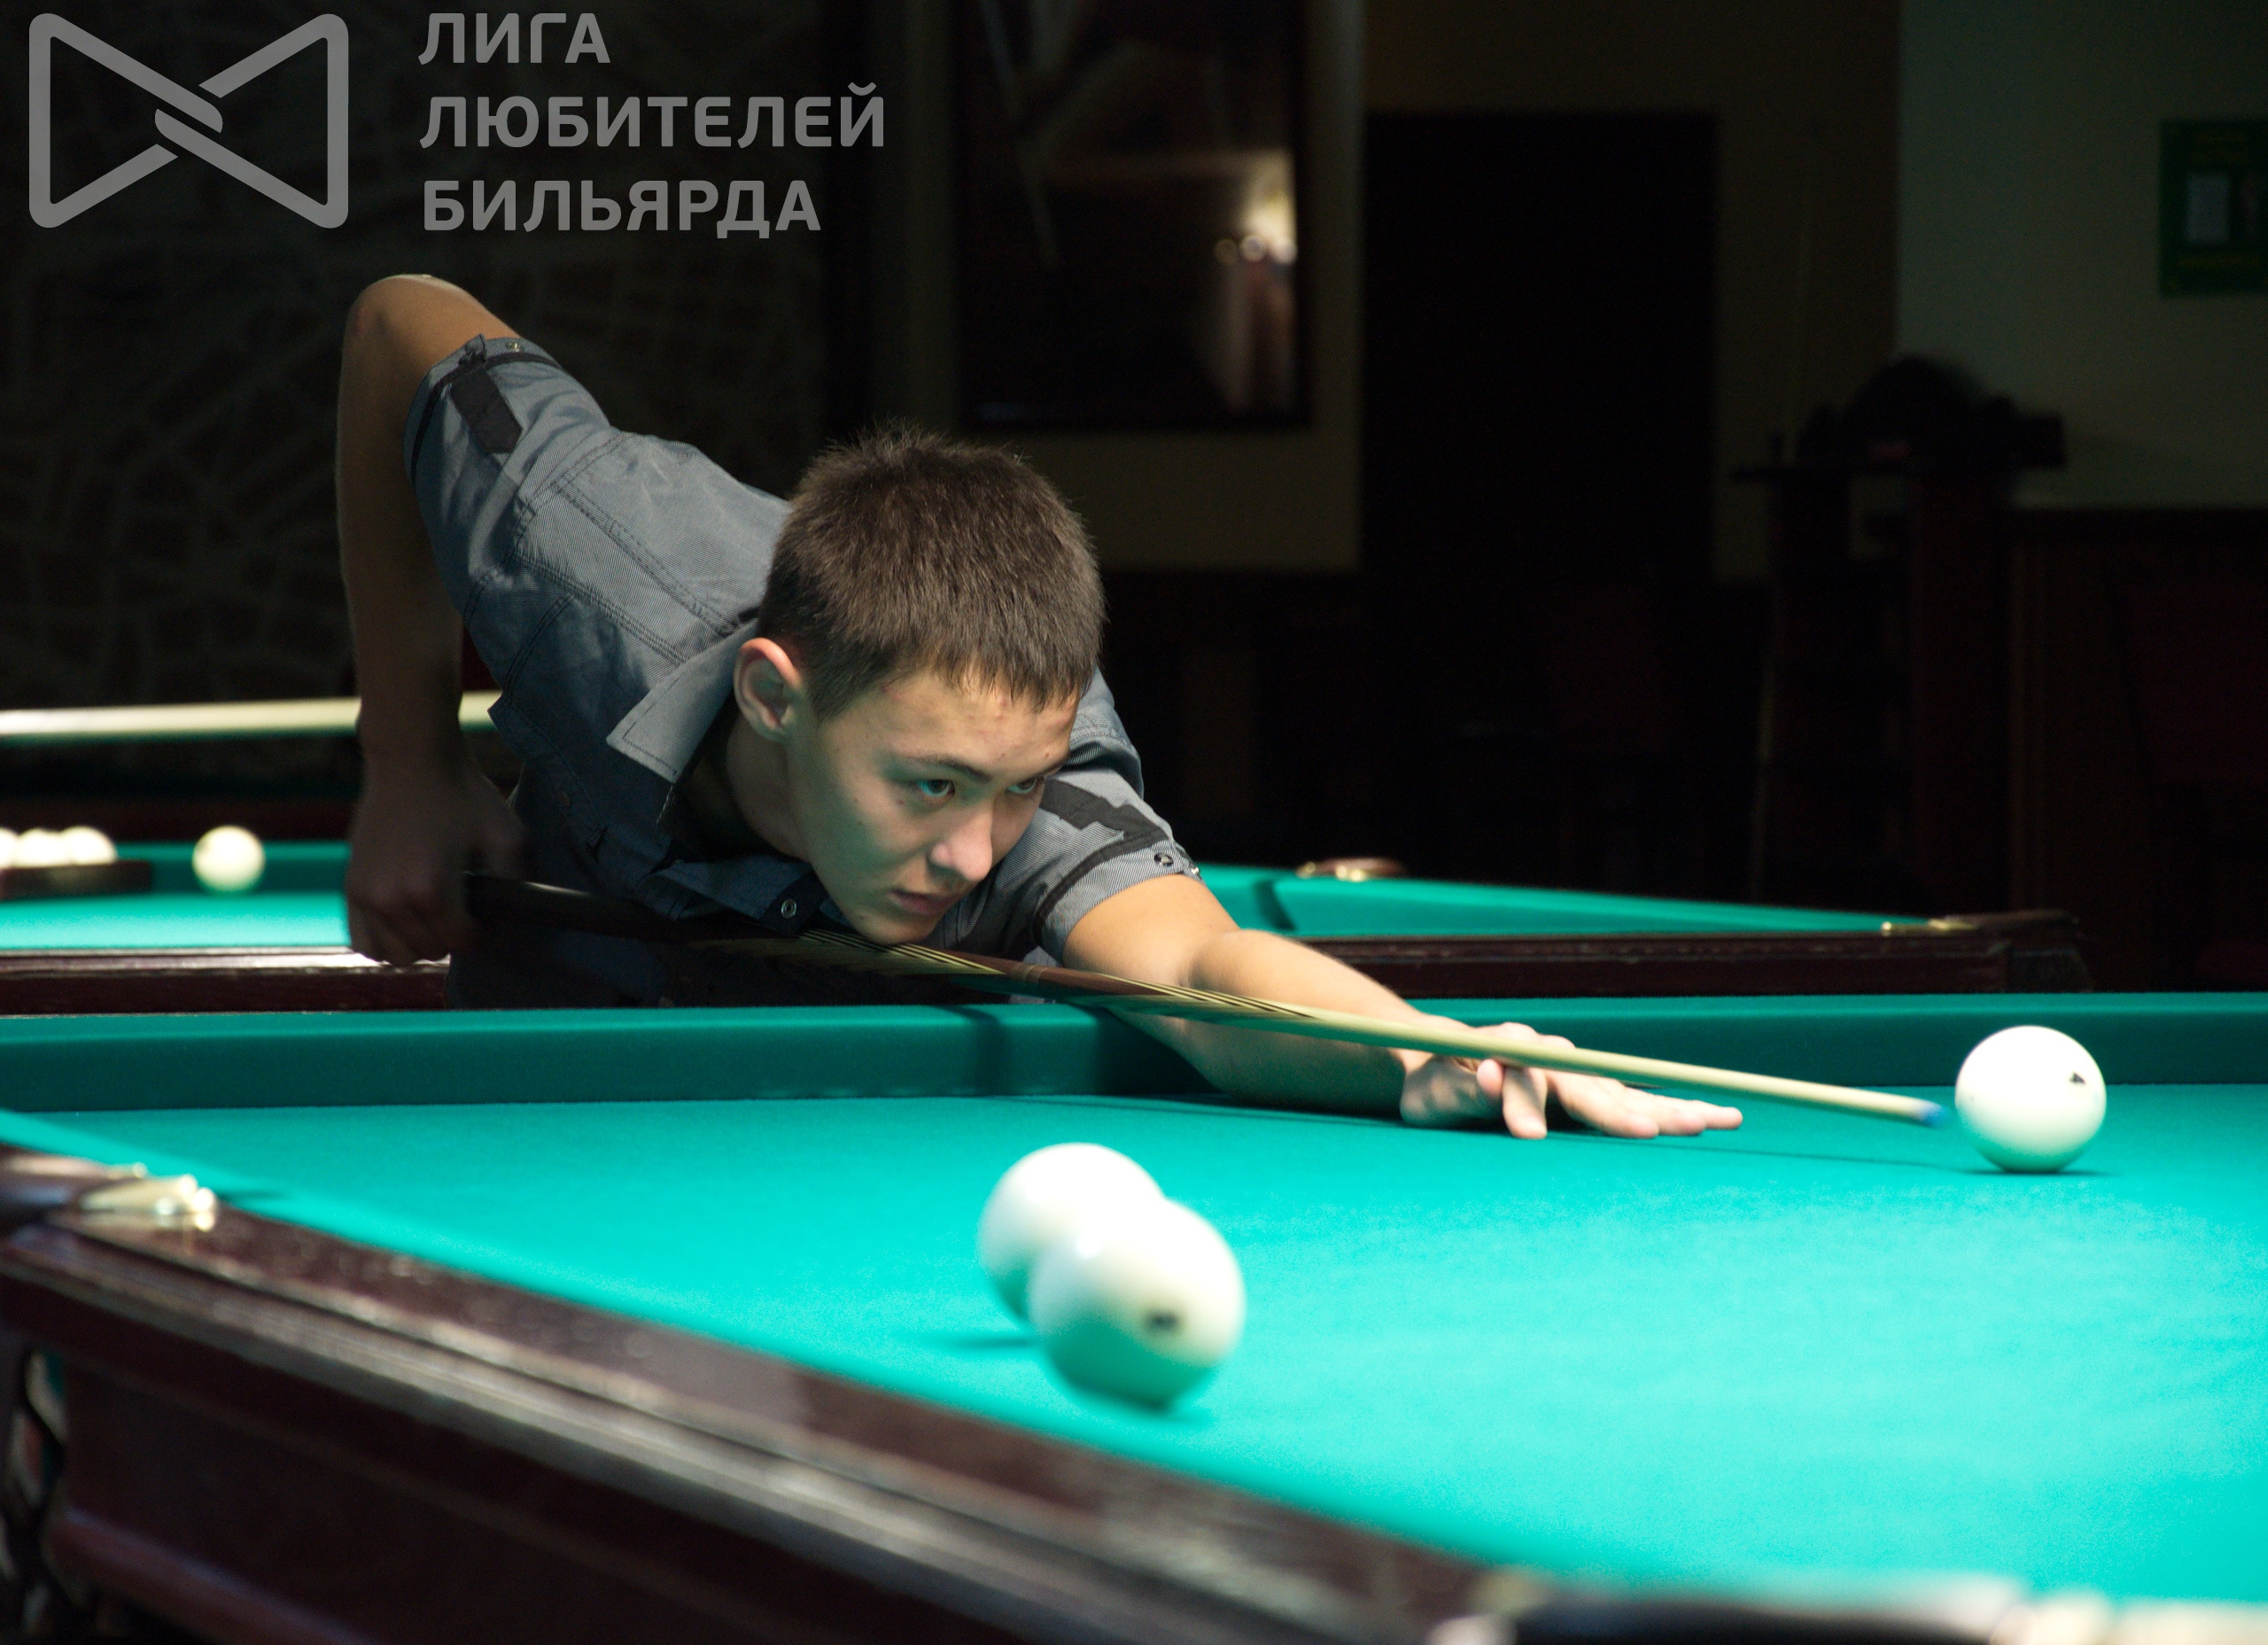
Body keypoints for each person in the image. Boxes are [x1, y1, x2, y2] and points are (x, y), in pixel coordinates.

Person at [336, 274, 1742, 1143]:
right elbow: (400, 320)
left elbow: (1199, 968)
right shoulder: (593, 560)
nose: (972, 853)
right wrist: (405, 762)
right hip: (532, 1070)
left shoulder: (1042, 788)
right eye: (929, 785)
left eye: (1015, 787)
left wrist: (1423, 1049)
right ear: (773, 698)